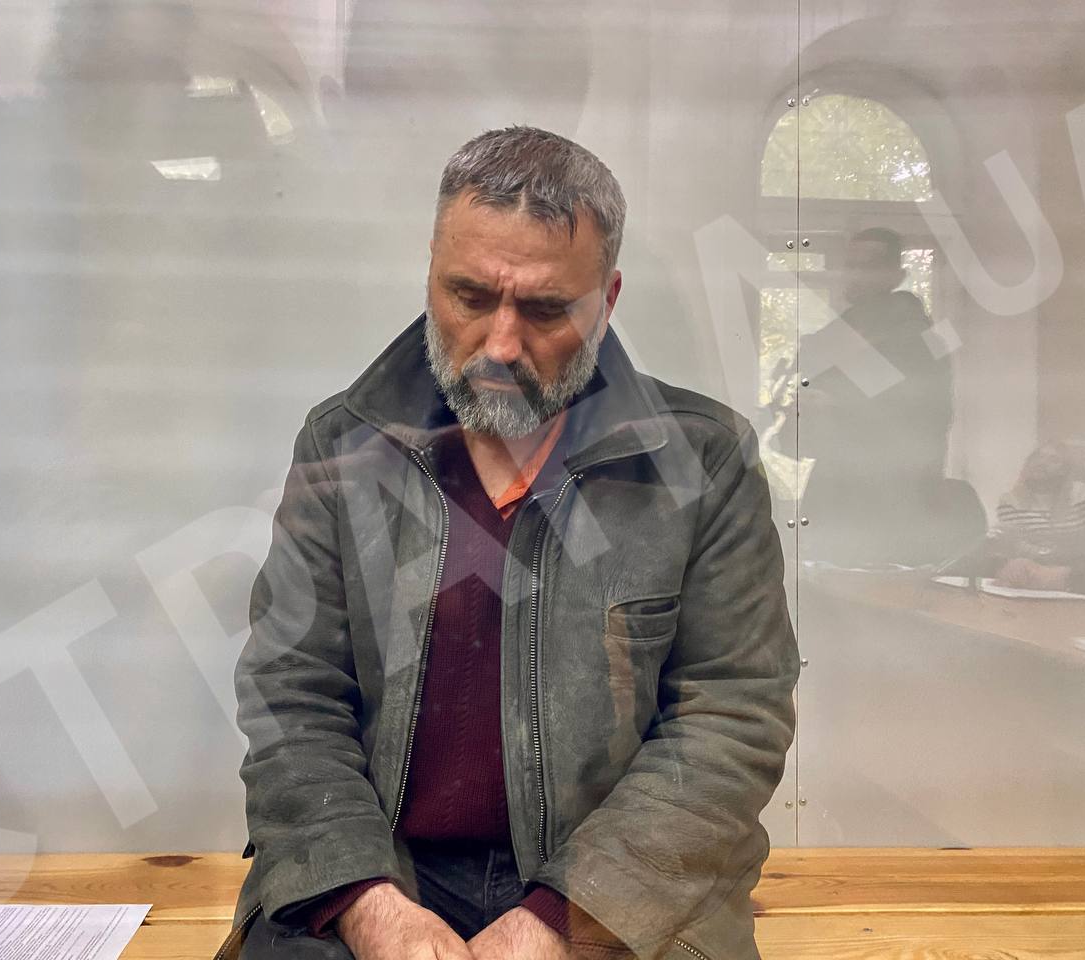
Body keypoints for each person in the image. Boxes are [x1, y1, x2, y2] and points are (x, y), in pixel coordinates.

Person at [223, 126, 799, 960]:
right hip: (380, 868)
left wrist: (562, 917)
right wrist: (369, 905)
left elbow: (731, 715)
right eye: (468, 296)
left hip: (618, 887)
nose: (499, 344)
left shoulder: (703, 461)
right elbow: (293, 695)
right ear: (431, 270)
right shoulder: (342, 446)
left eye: (544, 309)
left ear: (608, 298)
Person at [793, 227, 955, 566]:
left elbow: (930, 414)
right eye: (850, 264)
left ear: (897, 275)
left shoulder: (920, 335)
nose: (855, 273)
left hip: (890, 495)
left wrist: (836, 402)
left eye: (869, 265)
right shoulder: (850, 327)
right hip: (839, 484)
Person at [992, 440, 1085, 591]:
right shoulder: (1010, 500)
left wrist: (1058, 559)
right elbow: (1014, 544)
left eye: (1053, 459)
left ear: (1064, 470)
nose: (1042, 463)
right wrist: (1046, 555)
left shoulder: (1078, 492)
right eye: (1038, 457)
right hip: (1029, 573)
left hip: (1071, 572)